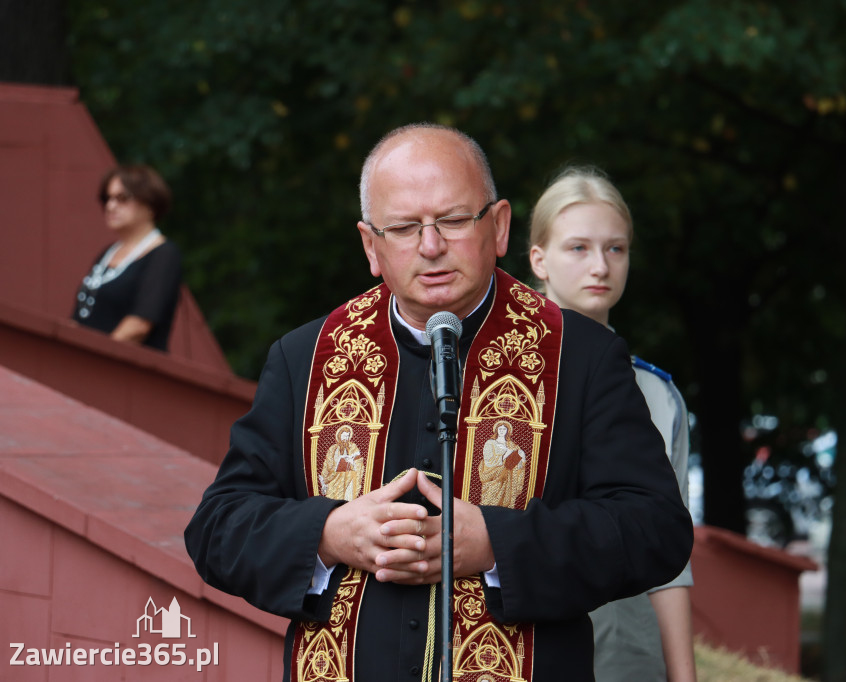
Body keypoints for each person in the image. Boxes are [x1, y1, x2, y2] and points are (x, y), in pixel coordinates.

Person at [184, 124, 693, 682]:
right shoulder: (306, 356)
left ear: (498, 227)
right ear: (370, 246)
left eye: (452, 220)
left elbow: (656, 529)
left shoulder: (581, 355)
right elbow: (217, 529)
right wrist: (330, 535)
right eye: (403, 227)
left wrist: (497, 545)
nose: (430, 246)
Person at [528, 166, 697, 682]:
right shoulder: (490, 382)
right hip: (518, 650)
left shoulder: (658, 396)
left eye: (615, 248)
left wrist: (683, 675)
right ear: (540, 259)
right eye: (578, 248)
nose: (600, 265)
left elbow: (671, 553)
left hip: (626, 658)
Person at [71, 164, 181, 350]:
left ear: (150, 203)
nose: (111, 206)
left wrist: (96, 357)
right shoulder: (107, 254)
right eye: (107, 198)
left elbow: (139, 325)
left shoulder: (164, 255)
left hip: (124, 371)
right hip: (85, 366)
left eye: (122, 198)